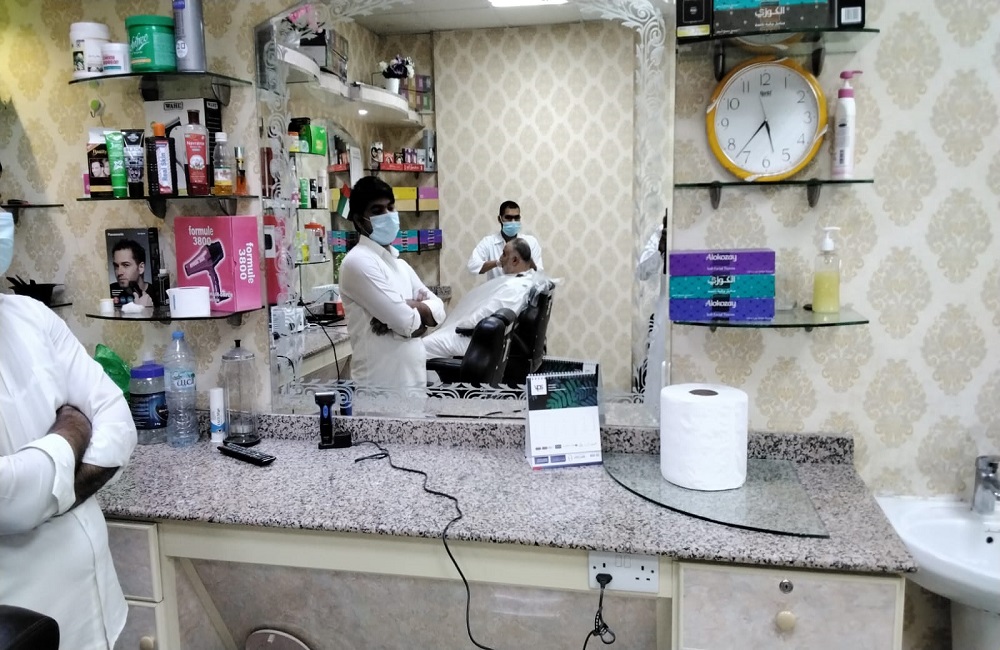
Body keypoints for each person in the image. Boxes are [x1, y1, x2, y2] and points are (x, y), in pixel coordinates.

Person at [0, 209, 138, 648]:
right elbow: (11, 501)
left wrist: (46, 494)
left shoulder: (30, 316)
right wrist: (73, 427)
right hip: (24, 631)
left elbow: (117, 420)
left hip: (99, 611)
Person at [339, 176, 445, 388]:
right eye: (377, 211)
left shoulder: (399, 264)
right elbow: (408, 324)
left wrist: (408, 307)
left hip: (413, 384)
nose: (388, 215)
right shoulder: (358, 261)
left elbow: (439, 312)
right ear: (359, 220)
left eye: (390, 207)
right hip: (380, 389)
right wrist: (416, 317)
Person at [425, 238, 537, 360]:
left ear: (515, 260)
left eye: (504, 254)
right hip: (481, 334)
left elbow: (486, 315)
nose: (500, 258)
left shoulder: (515, 288)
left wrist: (461, 326)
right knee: (434, 338)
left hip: (477, 339)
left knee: (421, 347)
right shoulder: (524, 280)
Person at [467, 200, 544, 281]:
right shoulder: (488, 242)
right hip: (498, 288)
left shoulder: (531, 242)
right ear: (499, 219)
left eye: (516, 218)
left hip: (524, 288)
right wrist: (498, 263)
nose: (513, 222)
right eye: (508, 218)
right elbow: (472, 266)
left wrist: (529, 262)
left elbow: (539, 272)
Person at [109, 238, 162, 308]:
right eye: (116, 266)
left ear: (141, 268)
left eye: (126, 265)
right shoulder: (111, 291)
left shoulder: (158, 294)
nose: (119, 272)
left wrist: (146, 310)